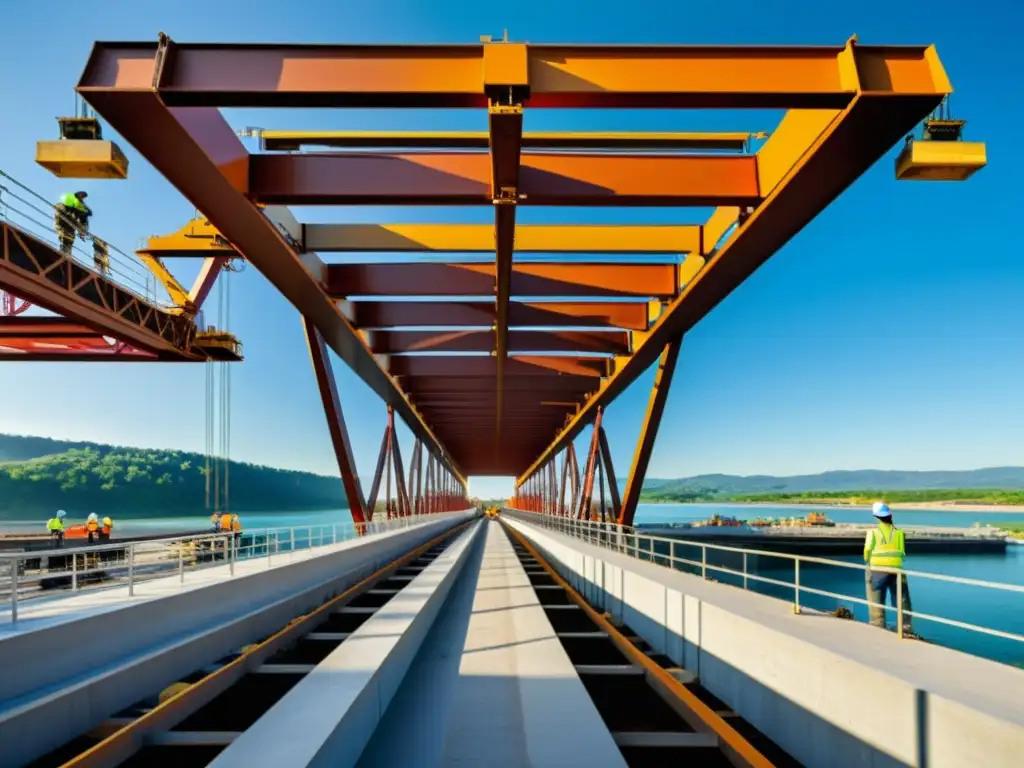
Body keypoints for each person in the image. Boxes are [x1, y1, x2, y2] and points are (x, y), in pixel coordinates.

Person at [864, 501, 914, 635]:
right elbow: (903, 552)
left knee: (876, 601)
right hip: (896, 570)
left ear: (876, 517)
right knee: (902, 599)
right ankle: (905, 627)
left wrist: (870, 561)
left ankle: (877, 625)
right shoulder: (899, 533)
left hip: (877, 570)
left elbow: (867, 552)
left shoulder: (873, 533)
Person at [55, 191, 92, 256]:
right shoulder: (65, 203)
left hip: (70, 223)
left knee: (69, 239)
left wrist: (82, 231)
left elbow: (84, 215)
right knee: (65, 237)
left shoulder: (79, 204)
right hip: (65, 223)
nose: (82, 198)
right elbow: (59, 216)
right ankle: (64, 252)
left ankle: (67, 252)